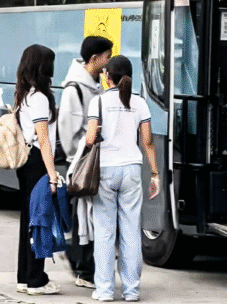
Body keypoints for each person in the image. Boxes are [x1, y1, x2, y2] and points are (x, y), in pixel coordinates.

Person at [83, 55, 160, 302]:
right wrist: (155, 173)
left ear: (107, 77)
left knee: (105, 232)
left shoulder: (98, 101)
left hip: (105, 170)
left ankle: (104, 291)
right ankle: (131, 290)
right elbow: (147, 142)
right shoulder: (139, 104)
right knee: (130, 231)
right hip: (131, 170)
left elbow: (89, 138)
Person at [58, 36, 113, 289]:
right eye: (106, 57)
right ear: (94, 59)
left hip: (95, 160)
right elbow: (68, 134)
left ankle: (87, 268)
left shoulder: (94, 85)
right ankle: (82, 269)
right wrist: (81, 156)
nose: (108, 62)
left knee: (91, 217)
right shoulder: (75, 89)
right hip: (81, 163)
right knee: (82, 217)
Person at [14, 44, 61, 296]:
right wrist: (52, 174)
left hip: (26, 162)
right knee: (39, 220)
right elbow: (44, 139)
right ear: (43, 66)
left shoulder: (24, 95)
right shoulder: (40, 98)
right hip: (37, 163)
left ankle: (24, 276)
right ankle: (36, 279)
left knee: (28, 220)